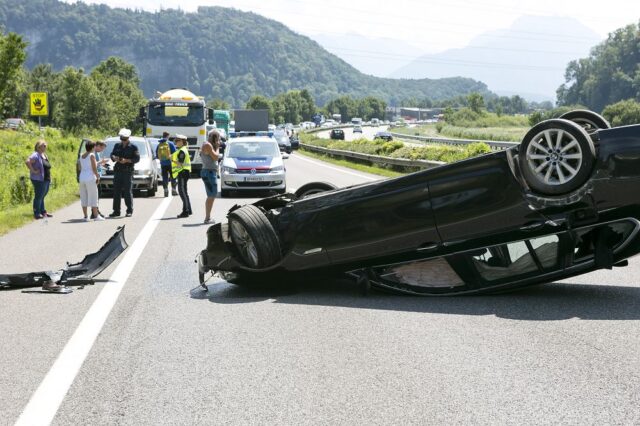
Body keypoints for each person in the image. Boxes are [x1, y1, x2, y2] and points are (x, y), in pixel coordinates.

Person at [109, 128, 139, 218]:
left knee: (127, 192)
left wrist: (127, 160)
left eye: (124, 138)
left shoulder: (133, 147)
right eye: (121, 138)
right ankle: (116, 211)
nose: (123, 140)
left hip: (127, 172)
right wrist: (114, 157)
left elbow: (137, 159)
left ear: (128, 138)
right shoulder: (117, 145)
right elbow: (112, 154)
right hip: (118, 171)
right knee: (116, 192)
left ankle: (129, 210)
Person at [25, 139, 52, 220]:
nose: (45, 147)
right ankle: (37, 213)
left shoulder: (44, 155)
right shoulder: (36, 155)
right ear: (39, 147)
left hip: (46, 179)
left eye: (45, 146)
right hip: (38, 179)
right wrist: (33, 171)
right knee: (39, 196)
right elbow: (27, 161)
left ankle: (43, 211)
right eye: (44, 146)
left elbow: (47, 167)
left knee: (42, 195)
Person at [78, 140, 104, 221]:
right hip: (90, 177)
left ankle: (86, 216)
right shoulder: (92, 155)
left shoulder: (81, 155)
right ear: (93, 147)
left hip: (82, 177)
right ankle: (96, 216)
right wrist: (97, 176)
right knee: (93, 196)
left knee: (83, 196)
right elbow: (94, 167)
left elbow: (79, 167)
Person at [201, 130, 220, 224]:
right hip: (209, 172)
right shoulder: (208, 145)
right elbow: (216, 157)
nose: (218, 141)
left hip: (209, 172)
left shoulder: (208, 145)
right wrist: (217, 147)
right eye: (217, 138)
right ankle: (207, 218)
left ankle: (208, 217)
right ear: (214, 137)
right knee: (211, 195)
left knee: (211, 195)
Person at [172, 134, 192, 218]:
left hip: (183, 173)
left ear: (182, 142)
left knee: (182, 192)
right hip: (184, 172)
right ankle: (189, 209)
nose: (175, 142)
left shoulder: (182, 151)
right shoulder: (182, 149)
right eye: (175, 141)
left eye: (177, 141)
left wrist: (172, 159)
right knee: (184, 192)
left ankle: (185, 211)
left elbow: (180, 163)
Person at [155, 131, 177, 197]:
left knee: (165, 177)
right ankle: (173, 190)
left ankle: (166, 190)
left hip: (163, 164)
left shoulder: (159, 144)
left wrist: (162, 159)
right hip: (171, 163)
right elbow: (175, 153)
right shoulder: (170, 143)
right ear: (168, 136)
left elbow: (157, 154)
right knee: (173, 176)